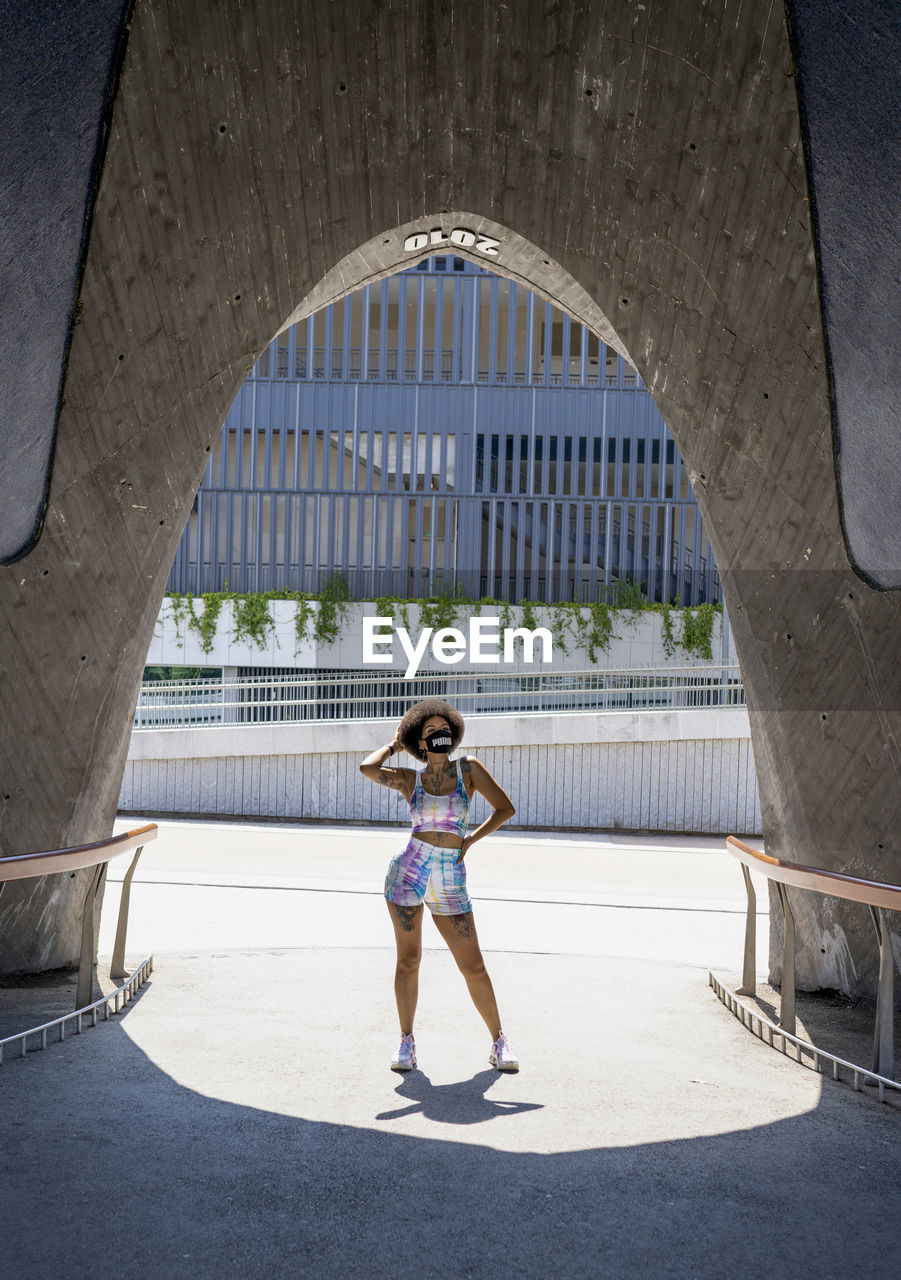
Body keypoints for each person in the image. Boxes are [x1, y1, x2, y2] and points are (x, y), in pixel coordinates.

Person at [360, 698, 519, 1073]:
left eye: (443, 729)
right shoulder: (408, 778)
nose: (438, 735)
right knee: (409, 959)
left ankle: (499, 1042)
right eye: (429, 731)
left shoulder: (469, 770)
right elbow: (368, 768)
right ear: (420, 740)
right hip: (409, 873)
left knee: (474, 966)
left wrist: (470, 841)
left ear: (454, 733)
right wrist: (396, 744)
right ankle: (406, 1043)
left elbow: (505, 808)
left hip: (450, 876)